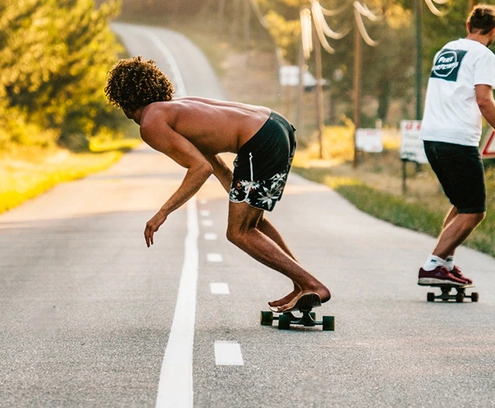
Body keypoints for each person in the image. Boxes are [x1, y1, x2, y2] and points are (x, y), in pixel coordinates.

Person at [105, 56, 330, 313]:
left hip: (259, 141)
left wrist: (162, 213)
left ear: (123, 100)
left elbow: (199, 169)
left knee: (238, 232)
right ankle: (301, 284)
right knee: (253, 223)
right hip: (276, 125)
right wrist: (235, 193)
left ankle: (312, 284)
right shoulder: (175, 110)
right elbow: (212, 162)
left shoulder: (151, 122)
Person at [418, 4, 495, 287]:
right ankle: (433, 266)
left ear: (468, 26)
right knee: (475, 210)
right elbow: (484, 100)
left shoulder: (447, 50)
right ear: (494, 30)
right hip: (457, 139)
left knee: (461, 204)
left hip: (432, 137)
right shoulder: (484, 56)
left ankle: (446, 263)